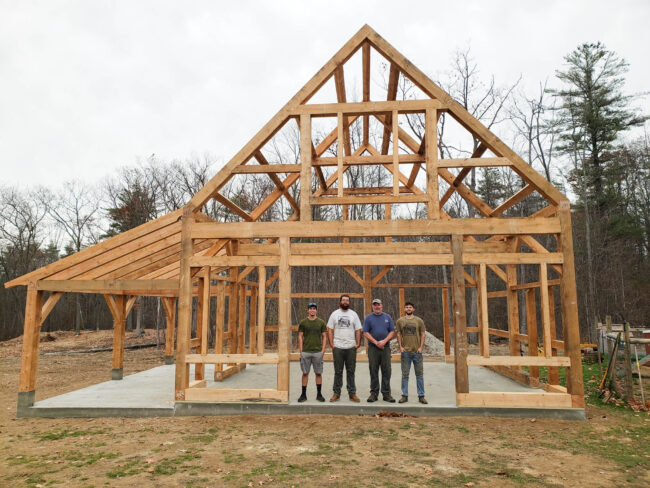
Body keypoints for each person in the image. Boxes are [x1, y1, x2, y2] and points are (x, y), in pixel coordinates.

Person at [327, 294, 362, 402]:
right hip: (338, 347)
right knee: (338, 371)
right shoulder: (334, 314)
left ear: (349, 303)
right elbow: (329, 329)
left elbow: (358, 329)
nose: (345, 302)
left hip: (351, 347)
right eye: (344, 300)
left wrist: (358, 343)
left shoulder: (353, 314)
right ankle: (336, 393)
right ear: (340, 302)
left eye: (347, 300)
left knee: (351, 371)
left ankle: (352, 393)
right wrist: (332, 344)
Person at [363, 298, 396, 403]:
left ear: (382, 306)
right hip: (373, 348)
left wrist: (384, 341)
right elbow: (365, 332)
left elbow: (392, 331)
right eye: (375, 305)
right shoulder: (368, 318)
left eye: (379, 305)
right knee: (373, 370)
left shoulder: (387, 317)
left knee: (386, 371)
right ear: (373, 306)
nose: (377, 307)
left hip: (385, 348)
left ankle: (386, 394)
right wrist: (376, 342)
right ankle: (374, 393)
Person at [395, 301, 428, 404]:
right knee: (405, 375)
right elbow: (399, 334)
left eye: (410, 307)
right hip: (406, 352)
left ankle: (421, 396)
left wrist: (421, 348)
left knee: (419, 375)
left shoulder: (419, 321)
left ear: (413, 309)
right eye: (407, 307)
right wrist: (400, 347)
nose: (408, 309)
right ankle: (404, 396)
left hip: (417, 352)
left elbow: (423, 334)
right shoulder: (400, 321)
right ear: (404, 309)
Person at [297, 302, 327, 403]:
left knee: (318, 373)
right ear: (308, 310)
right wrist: (301, 351)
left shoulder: (321, 322)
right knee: (305, 373)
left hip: (317, 352)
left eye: (314, 308)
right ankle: (303, 394)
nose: (312, 310)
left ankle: (319, 394)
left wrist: (323, 350)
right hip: (306, 352)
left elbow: (324, 336)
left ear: (316, 310)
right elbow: (300, 336)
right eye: (310, 308)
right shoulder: (303, 323)